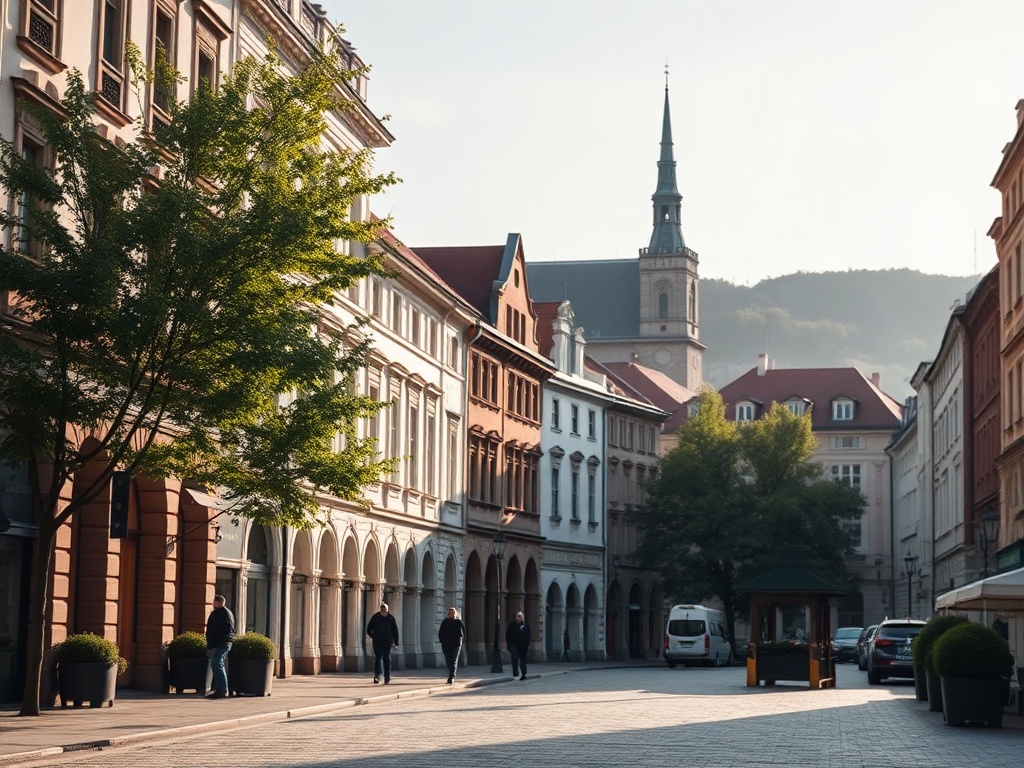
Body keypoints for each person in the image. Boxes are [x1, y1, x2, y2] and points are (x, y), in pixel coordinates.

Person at [205, 594, 235, 699]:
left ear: (221, 603)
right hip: (218, 643)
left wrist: (215, 642)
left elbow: (226, 630)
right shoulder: (217, 613)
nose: (214, 604)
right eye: (214, 602)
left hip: (222, 643)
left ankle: (222, 690)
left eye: (216, 602)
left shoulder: (224, 613)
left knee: (217, 664)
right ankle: (220, 689)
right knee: (217, 664)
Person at [366, 602, 399, 684]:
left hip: (387, 642)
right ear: (380, 609)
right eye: (382, 609)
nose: (384, 611)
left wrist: (396, 642)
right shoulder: (376, 617)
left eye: (385, 610)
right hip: (377, 641)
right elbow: (369, 628)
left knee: (386, 659)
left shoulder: (390, 618)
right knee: (378, 658)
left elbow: (395, 631)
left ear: (387, 610)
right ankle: (377, 675)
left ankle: (387, 676)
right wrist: (373, 636)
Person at [438, 606, 467, 684]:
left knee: (454, 660)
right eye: (450, 613)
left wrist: (461, 641)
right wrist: (441, 640)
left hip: (456, 644)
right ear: (448, 614)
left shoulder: (459, 622)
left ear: (456, 614)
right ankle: (451, 674)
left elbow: (464, 632)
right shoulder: (445, 622)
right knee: (448, 660)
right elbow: (440, 632)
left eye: (453, 613)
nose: (451, 614)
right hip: (446, 644)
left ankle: (452, 677)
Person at [505, 610, 530, 681]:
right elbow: (508, 635)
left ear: (523, 617)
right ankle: (515, 674)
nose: (518, 618)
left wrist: (527, 645)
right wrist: (509, 644)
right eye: (517, 616)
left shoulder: (526, 626)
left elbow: (528, 636)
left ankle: (524, 674)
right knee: (515, 660)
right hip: (514, 645)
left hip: (523, 647)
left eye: (520, 616)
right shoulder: (512, 626)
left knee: (523, 661)